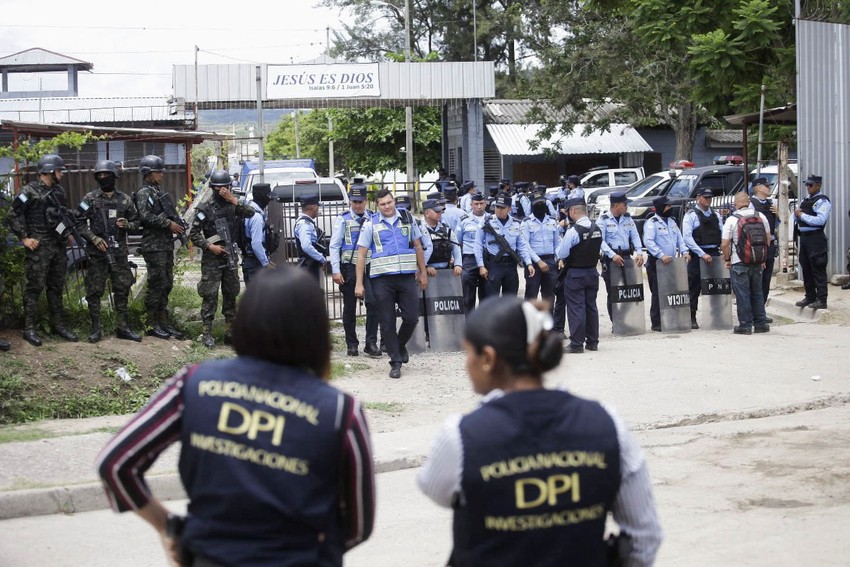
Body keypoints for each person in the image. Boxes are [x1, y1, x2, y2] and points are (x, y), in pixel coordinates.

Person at [96, 267, 376, 567]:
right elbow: (358, 525)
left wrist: (169, 527)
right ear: (317, 331)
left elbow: (115, 463)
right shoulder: (340, 412)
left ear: (244, 320)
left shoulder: (194, 384)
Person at [417, 296, 662, 567]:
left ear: (487, 358)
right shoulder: (608, 424)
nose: (467, 365)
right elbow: (644, 538)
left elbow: (433, 487)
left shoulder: (460, 437)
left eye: (468, 354)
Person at [355, 188, 429, 379]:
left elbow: (418, 246)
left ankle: (399, 344)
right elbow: (361, 255)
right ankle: (395, 361)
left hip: (405, 277)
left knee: (412, 317)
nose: (387, 206)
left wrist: (422, 272)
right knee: (387, 321)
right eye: (382, 204)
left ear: (394, 201)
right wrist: (359, 284)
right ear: (377, 206)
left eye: (389, 202)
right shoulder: (370, 223)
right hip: (382, 279)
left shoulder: (407, 218)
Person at [7, 153, 78, 346]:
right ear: (48, 171)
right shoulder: (28, 191)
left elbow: (61, 217)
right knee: (34, 288)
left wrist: (68, 234)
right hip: (39, 248)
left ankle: (58, 325)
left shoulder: (59, 192)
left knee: (56, 287)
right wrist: (24, 238)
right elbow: (12, 215)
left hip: (58, 246)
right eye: (59, 171)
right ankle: (29, 328)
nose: (61, 175)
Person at [76, 160, 142, 343]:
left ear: (114, 176)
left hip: (119, 252)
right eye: (100, 175)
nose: (103, 178)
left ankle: (123, 327)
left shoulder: (125, 200)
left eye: (106, 175)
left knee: (122, 288)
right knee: (94, 290)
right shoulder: (90, 199)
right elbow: (78, 222)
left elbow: (137, 221)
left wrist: (127, 224)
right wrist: (94, 238)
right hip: (98, 254)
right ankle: (96, 329)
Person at [188, 170, 255, 348]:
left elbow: (251, 213)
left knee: (231, 293)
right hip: (212, 257)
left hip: (230, 254)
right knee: (209, 294)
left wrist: (233, 199)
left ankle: (230, 331)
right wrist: (210, 247)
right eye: (218, 188)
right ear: (212, 188)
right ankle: (207, 333)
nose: (222, 191)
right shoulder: (205, 207)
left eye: (225, 187)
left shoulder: (233, 204)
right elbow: (193, 233)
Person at [135, 154, 186, 340]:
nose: (162, 174)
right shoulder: (144, 193)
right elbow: (144, 216)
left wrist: (176, 223)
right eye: (158, 171)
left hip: (164, 245)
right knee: (156, 284)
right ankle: (151, 323)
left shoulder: (156, 191)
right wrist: (167, 224)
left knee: (166, 284)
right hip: (153, 246)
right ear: (149, 173)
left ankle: (163, 322)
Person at [330, 183, 381, 358]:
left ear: (366, 201)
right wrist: (335, 270)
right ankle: (352, 344)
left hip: (369, 266)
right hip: (349, 268)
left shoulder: (373, 218)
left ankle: (371, 342)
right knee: (350, 307)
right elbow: (334, 245)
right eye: (354, 201)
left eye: (360, 201)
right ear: (350, 201)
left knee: (373, 302)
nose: (357, 205)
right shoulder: (343, 219)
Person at [722, 191, 772, 335]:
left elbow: (725, 244)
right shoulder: (760, 216)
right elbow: (767, 238)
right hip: (757, 262)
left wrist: (727, 260)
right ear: (748, 201)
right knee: (757, 292)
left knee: (742, 294)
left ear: (735, 204)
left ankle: (745, 325)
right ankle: (760, 323)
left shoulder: (732, 220)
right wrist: (762, 257)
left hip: (739, 262)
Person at [557, 199, 603, 353]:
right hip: (592, 272)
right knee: (591, 307)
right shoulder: (597, 228)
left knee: (576, 308)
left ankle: (576, 344)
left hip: (576, 273)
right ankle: (593, 342)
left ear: (573, 211)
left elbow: (561, 253)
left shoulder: (573, 231)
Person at [643, 195, 690, 332]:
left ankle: (670, 319)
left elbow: (679, 238)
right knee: (658, 292)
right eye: (668, 206)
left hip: (672, 262)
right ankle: (657, 322)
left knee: (672, 291)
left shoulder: (672, 222)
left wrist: (685, 251)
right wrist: (660, 254)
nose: (670, 208)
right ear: (660, 208)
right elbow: (648, 241)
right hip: (657, 262)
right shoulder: (652, 223)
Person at [596, 191, 645, 320]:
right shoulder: (603, 220)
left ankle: (624, 318)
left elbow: (635, 236)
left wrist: (639, 252)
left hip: (627, 258)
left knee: (631, 290)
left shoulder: (628, 218)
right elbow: (600, 240)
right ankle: (616, 321)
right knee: (613, 293)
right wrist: (612, 255)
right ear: (616, 205)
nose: (627, 206)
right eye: (625, 204)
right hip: (612, 260)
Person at [475, 192, 532, 299]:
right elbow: (477, 244)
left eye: (502, 208)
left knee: (510, 300)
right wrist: (481, 266)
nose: (499, 210)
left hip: (511, 265)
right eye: (497, 207)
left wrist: (528, 263)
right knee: (492, 299)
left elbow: (522, 245)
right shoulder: (487, 221)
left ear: (509, 209)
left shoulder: (516, 223)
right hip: (493, 264)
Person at [682, 187, 724, 329]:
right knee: (694, 287)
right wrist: (701, 253)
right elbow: (687, 238)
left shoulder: (716, 214)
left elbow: (722, 232)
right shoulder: (691, 215)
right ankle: (691, 316)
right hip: (697, 255)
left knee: (716, 286)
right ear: (698, 198)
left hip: (714, 253)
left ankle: (716, 315)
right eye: (705, 197)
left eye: (710, 198)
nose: (708, 200)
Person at [794, 175, 832, 310]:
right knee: (806, 268)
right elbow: (796, 215)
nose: (808, 188)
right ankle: (810, 296)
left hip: (815, 238)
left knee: (818, 268)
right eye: (807, 185)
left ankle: (822, 300)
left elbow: (820, 220)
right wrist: (797, 215)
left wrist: (802, 215)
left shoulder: (823, 201)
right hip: (804, 238)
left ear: (818, 185)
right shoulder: (806, 200)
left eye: (810, 185)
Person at [520, 192, 560, 308]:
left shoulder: (552, 221)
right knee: (531, 296)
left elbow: (557, 243)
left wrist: (559, 258)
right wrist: (538, 261)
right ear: (532, 205)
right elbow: (525, 245)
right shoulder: (526, 222)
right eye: (537, 203)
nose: (540, 205)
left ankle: (547, 325)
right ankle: (529, 324)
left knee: (549, 296)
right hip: (534, 263)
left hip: (550, 262)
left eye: (542, 203)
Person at [749, 177, 778, 308]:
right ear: (759, 188)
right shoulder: (751, 203)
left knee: (766, 279)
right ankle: (754, 309)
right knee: (756, 278)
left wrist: (778, 215)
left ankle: (761, 309)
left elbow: (777, 224)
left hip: (770, 243)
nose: (769, 188)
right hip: (756, 244)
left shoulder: (770, 203)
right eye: (767, 186)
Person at [457, 192, 488, 314]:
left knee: (486, 295)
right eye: (476, 204)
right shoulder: (464, 220)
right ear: (471, 205)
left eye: (481, 203)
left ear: (485, 204)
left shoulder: (491, 219)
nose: (479, 206)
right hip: (469, 259)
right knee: (468, 296)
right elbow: (458, 242)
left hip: (487, 259)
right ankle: (469, 326)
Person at [240, 183, 275, 285]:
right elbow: (256, 244)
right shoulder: (256, 217)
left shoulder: (249, 210)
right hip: (255, 264)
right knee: (260, 299)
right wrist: (265, 263)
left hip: (251, 260)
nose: (269, 201)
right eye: (268, 197)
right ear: (262, 197)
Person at [421, 198, 463, 277]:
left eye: (440, 211)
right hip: (428, 274)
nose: (440, 213)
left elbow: (456, 247)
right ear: (427, 213)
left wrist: (458, 264)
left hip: (446, 271)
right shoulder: (419, 229)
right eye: (437, 211)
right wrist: (425, 267)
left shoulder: (446, 229)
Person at [294, 195, 327, 281]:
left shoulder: (305, 222)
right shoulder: (304, 224)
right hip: (308, 266)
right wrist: (321, 258)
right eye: (317, 206)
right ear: (313, 207)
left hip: (310, 264)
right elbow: (306, 246)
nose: (318, 209)